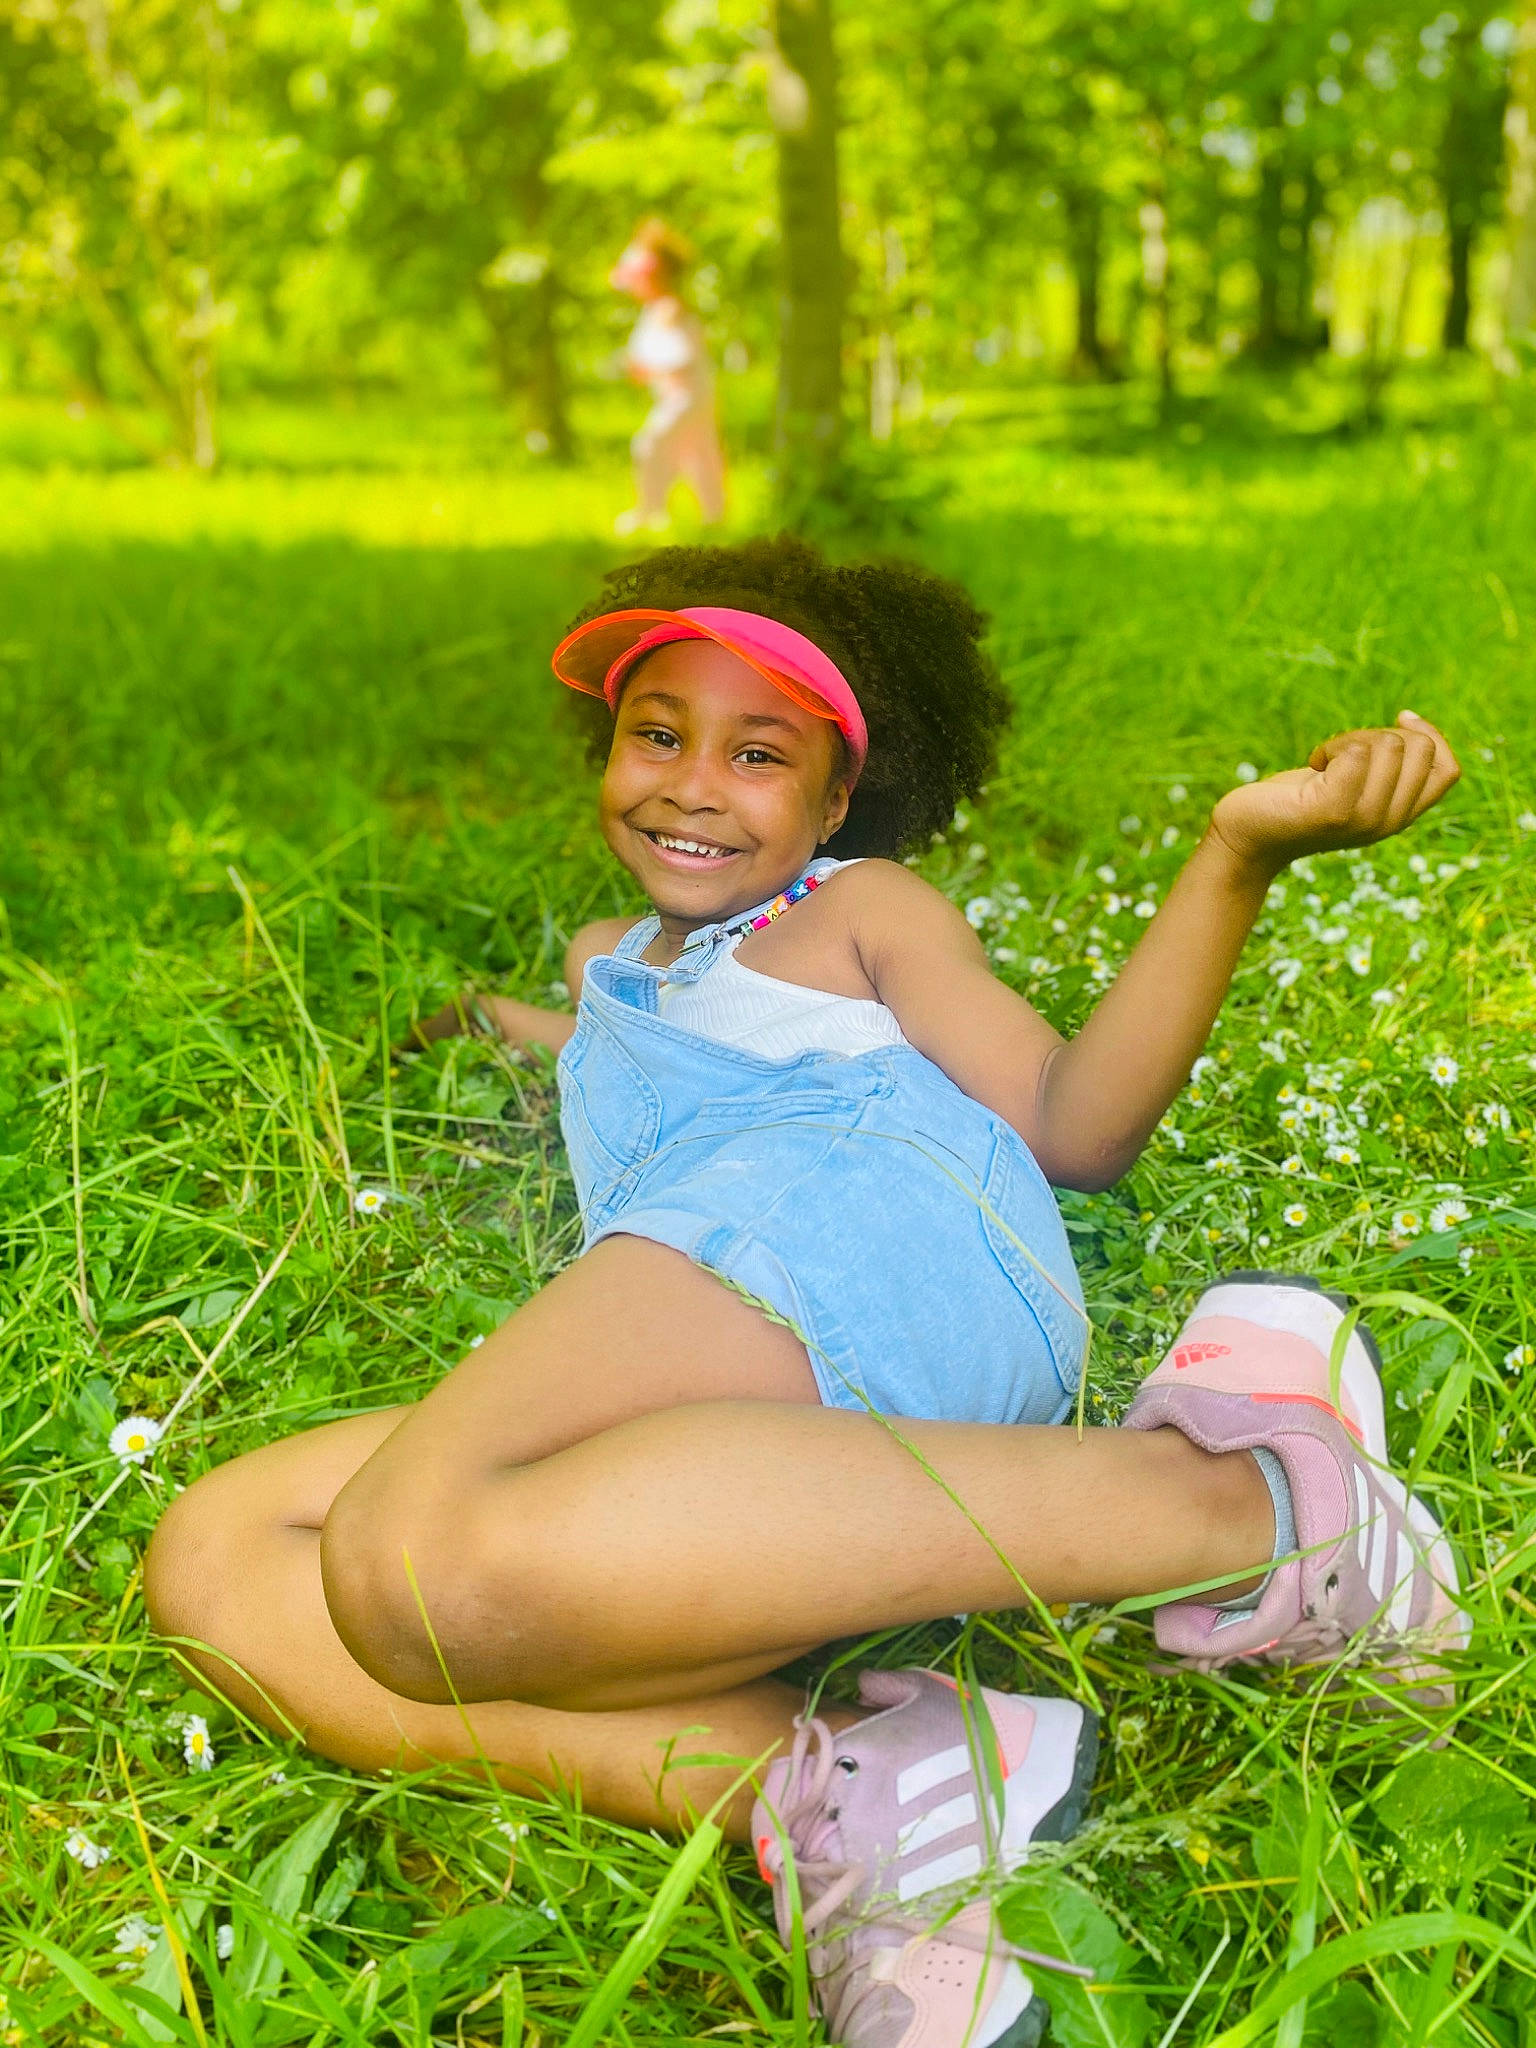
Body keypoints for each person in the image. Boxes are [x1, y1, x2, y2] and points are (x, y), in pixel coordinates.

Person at [145, 535, 1467, 2048]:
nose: (692, 782)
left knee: (409, 1560)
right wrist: (488, 1026)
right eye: (657, 734)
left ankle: (1244, 1504)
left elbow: (1076, 1123)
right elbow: (610, 1035)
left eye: (756, 753)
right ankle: (845, 1780)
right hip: (737, 1339)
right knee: (226, 1558)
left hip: (855, 1232)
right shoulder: (617, 962)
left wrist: (1236, 852)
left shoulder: (856, 914)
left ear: (839, 801)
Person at [610, 219, 726, 534]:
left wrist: (648, 367)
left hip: (686, 397)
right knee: (699, 458)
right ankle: (714, 518)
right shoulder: (657, 310)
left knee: (650, 445)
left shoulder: (670, 309)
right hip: (687, 396)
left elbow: (682, 355)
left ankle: (650, 512)